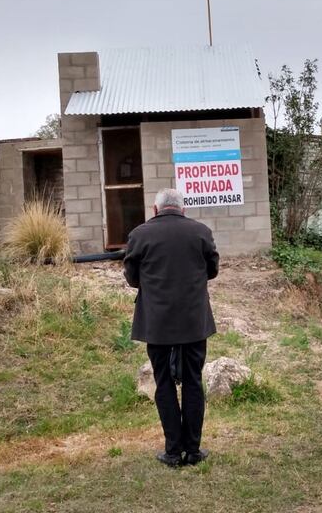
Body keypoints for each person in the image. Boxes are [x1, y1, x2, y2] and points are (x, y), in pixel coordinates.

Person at [124, 188, 220, 467]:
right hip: (193, 321)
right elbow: (212, 270)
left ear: (155, 210)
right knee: (193, 381)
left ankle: (172, 451)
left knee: (163, 381)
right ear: (183, 209)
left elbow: (132, 277)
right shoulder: (200, 232)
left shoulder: (139, 235)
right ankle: (192, 451)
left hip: (157, 323)